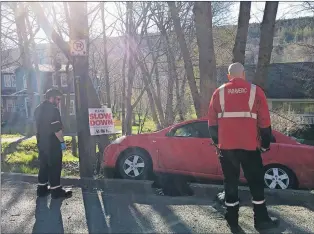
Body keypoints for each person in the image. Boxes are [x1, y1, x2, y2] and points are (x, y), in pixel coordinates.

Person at [208, 62, 279, 231]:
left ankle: (232, 218)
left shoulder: (219, 92)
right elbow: (264, 122)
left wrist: (218, 143)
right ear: (244, 74)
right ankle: (261, 220)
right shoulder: (255, 91)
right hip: (250, 147)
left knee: (230, 183)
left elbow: (211, 123)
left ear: (228, 76)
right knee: (256, 183)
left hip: (227, 148)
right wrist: (265, 144)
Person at [34, 88, 72, 199]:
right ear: (52, 98)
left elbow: (36, 128)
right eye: (58, 99)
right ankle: (56, 191)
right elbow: (57, 130)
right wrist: (62, 142)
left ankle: (42, 189)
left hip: (42, 143)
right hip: (53, 144)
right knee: (55, 166)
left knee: (44, 166)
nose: (59, 102)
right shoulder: (53, 110)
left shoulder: (38, 109)